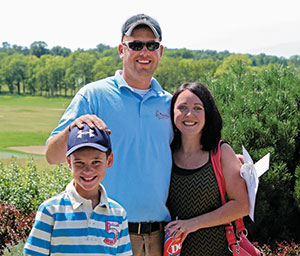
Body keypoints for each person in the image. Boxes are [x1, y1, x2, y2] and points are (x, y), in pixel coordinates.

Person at [45, 14, 172, 255]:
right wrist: (74, 126)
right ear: (121, 50)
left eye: (151, 45)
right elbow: (52, 155)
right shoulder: (93, 96)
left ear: (160, 52)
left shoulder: (170, 104)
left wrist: (228, 162)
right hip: (105, 234)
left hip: (158, 238)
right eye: (135, 45)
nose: (144, 51)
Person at [164, 82, 250, 256]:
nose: (189, 114)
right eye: (182, 107)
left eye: (197, 108)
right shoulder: (165, 153)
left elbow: (242, 206)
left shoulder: (220, 152)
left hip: (219, 251)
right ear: (172, 112)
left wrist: (192, 224)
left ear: (208, 114)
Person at [24, 124, 132, 255]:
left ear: (109, 160)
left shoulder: (118, 214)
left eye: (96, 162)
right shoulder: (51, 210)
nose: (88, 171)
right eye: (79, 163)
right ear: (69, 162)